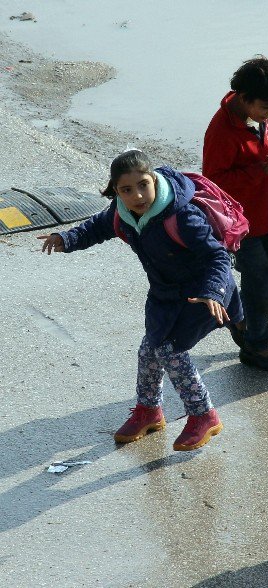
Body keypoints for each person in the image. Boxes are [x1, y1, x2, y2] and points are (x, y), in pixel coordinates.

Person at [38, 149, 243, 451]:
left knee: (171, 351)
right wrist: (66, 239)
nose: (137, 195)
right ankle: (149, 411)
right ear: (116, 191)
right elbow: (96, 227)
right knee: (149, 349)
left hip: (203, 293)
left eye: (143, 184)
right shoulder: (121, 211)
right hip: (164, 293)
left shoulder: (182, 215)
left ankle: (204, 416)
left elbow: (217, 256)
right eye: (126, 189)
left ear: (154, 180)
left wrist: (213, 293)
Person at [202, 55, 268, 372]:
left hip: (266, 216)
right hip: (242, 225)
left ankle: (241, 323)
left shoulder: (257, 118)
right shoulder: (221, 132)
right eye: (267, 108)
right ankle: (257, 347)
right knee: (260, 284)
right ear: (244, 98)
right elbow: (213, 182)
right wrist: (257, 173)